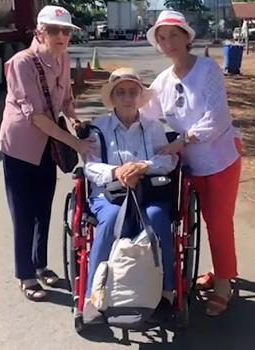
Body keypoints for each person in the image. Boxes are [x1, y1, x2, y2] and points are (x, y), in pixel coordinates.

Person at [141, 10, 243, 316]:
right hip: (187, 165)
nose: (168, 42)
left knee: (218, 221)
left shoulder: (207, 70)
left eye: (173, 35)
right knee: (185, 221)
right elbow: (145, 118)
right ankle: (219, 268)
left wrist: (182, 140)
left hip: (220, 157)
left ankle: (224, 282)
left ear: (187, 37)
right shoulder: (161, 82)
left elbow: (216, 117)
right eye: (162, 37)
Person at [0, 5, 95, 301]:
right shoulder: (21, 63)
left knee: (44, 208)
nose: (61, 36)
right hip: (21, 146)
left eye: (66, 31)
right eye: (54, 30)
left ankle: (40, 265)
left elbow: (65, 100)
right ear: (40, 32)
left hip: (48, 145)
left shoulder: (62, 59)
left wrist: (75, 119)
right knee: (24, 212)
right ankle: (25, 274)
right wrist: (74, 142)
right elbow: (36, 117)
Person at [84, 67, 178, 317]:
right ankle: (91, 296)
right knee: (113, 219)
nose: (127, 98)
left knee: (157, 218)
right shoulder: (98, 127)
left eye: (132, 92)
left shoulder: (153, 126)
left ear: (140, 96)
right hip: (109, 194)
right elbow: (90, 166)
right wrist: (118, 172)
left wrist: (142, 166)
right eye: (121, 92)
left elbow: (169, 160)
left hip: (148, 192)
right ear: (112, 97)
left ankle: (167, 291)